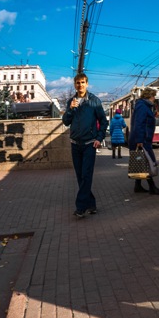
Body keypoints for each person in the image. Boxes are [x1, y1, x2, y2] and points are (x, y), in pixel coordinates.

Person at [62, 72, 108, 218]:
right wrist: (70, 109)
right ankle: (91, 204)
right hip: (75, 144)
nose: (80, 85)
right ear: (74, 85)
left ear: (87, 84)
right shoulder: (71, 101)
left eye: (82, 82)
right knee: (80, 176)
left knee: (86, 175)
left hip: (89, 144)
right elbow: (66, 122)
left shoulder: (94, 101)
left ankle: (80, 207)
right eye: (77, 83)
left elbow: (104, 121)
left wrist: (99, 138)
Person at [129, 88, 159, 195]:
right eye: (153, 96)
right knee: (147, 162)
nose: (154, 99)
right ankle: (152, 187)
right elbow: (139, 123)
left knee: (140, 161)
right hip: (142, 140)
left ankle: (138, 186)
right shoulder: (143, 107)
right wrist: (139, 140)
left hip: (143, 138)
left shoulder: (142, 105)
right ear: (149, 96)